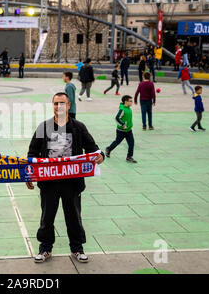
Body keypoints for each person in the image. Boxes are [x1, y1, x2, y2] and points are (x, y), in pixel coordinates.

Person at [25, 92, 104, 263]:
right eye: (56, 103)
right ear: (52, 105)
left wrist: (101, 155)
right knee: (47, 217)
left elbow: (92, 147)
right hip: (48, 183)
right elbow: (32, 153)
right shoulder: (43, 127)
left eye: (62, 103)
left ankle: (77, 249)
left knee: (74, 217)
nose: (59, 106)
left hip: (72, 183)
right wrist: (28, 174)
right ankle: (45, 248)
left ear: (69, 105)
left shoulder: (78, 127)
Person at [105, 95, 137, 163]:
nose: (132, 102)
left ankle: (129, 157)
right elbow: (117, 118)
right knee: (117, 142)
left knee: (131, 143)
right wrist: (123, 124)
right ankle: (108, 149)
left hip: (129, 130)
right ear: (126, 102)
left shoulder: (128, 108)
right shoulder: (122, 109)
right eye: (130, 101)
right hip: (121, 131)